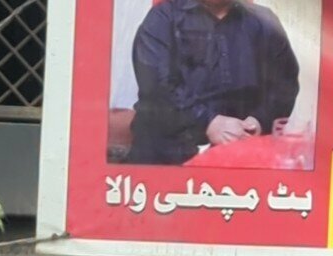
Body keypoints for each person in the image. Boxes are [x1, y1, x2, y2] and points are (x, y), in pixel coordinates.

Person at [127, 0, 300, 165]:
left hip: (242, 151)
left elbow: (285, 83)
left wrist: (258, 121)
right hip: (168, 153)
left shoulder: (264, 21)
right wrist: (208, 122)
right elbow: (156, 88)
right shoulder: (162, 19)